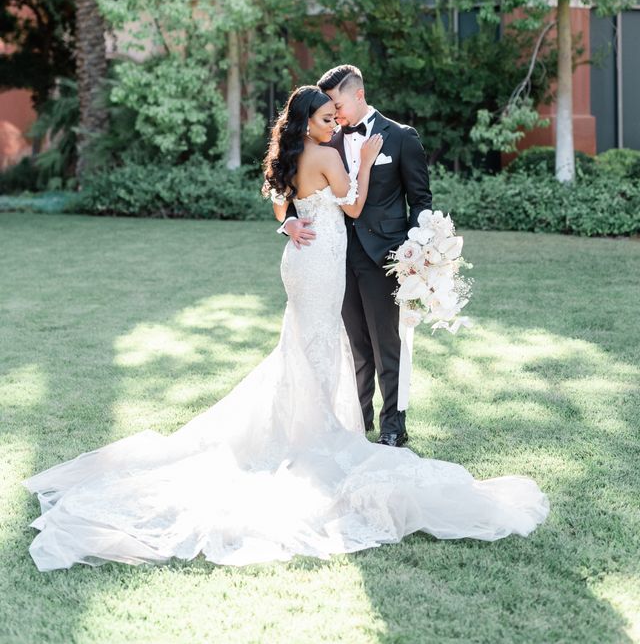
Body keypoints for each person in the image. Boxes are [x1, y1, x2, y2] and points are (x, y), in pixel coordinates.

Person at [24, 85, 548, 572]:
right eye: (326, 118)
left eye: (335, 116)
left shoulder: (290, 153)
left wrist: (289, 220)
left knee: (305, 342)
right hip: (320, 260)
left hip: (300, 258)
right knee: (318, 343)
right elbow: (356, 204)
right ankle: (313, 432)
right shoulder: (323, 153)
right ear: (309, 121)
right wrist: (362, 163)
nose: (333, 123)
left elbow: (278, 197)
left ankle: (306, 424)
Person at [280, 65, 431, 446]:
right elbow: (296, 188)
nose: (335, 113)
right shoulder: (325, 138)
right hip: (334, 259)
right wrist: (288, 224)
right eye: (328, 107)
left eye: (338, 103)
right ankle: (357, 423)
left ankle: (394, 427)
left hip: (384, 255)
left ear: (358, 95)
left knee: (387, 345)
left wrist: (416, 251)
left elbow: (421, 201)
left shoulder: (399, 138)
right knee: (353, 346)